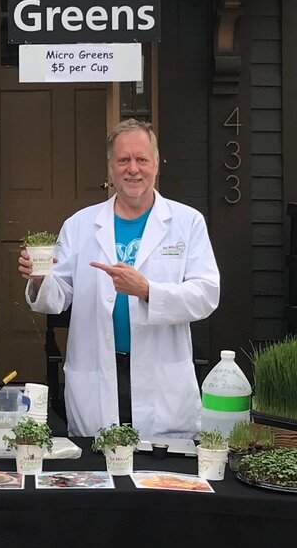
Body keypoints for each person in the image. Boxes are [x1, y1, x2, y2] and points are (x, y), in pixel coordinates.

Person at [17, 119, 220, 441]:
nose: (133, 169)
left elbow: (206, 294)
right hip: (97, 370)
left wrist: (148, 291)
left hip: (160, 377)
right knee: (98, 469)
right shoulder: (81, 225)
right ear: (110, 168)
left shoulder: (187, 222)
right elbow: (60, 296)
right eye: (123, 160)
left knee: (161, 476)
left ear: (156, 164)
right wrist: (40, 279)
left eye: (142, 159)